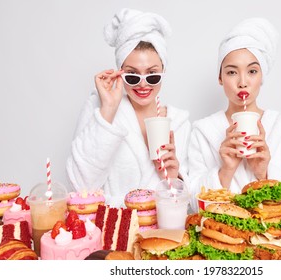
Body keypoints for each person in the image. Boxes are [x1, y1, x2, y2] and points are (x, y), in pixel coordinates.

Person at [66, 8, 191, 207]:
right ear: (120, 73)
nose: (143, 84)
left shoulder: (179, 122)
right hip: (113, 228)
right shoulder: (99, 108)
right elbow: (81, 186)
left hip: (160, 232)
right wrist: (108, 108)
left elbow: (186, 205)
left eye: (152, 75)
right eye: (132, 75)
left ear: (163, 71)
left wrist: (175, 177)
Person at [188, 18, 281, 211]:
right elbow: (193, 207)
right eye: (231, 72)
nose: (243, 82)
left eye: (252, 71)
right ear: (220, 78)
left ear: (262, 76)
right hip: (222, 237)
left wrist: (264, 173)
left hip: (275, 236)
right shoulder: (203, 131)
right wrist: (225, 171)